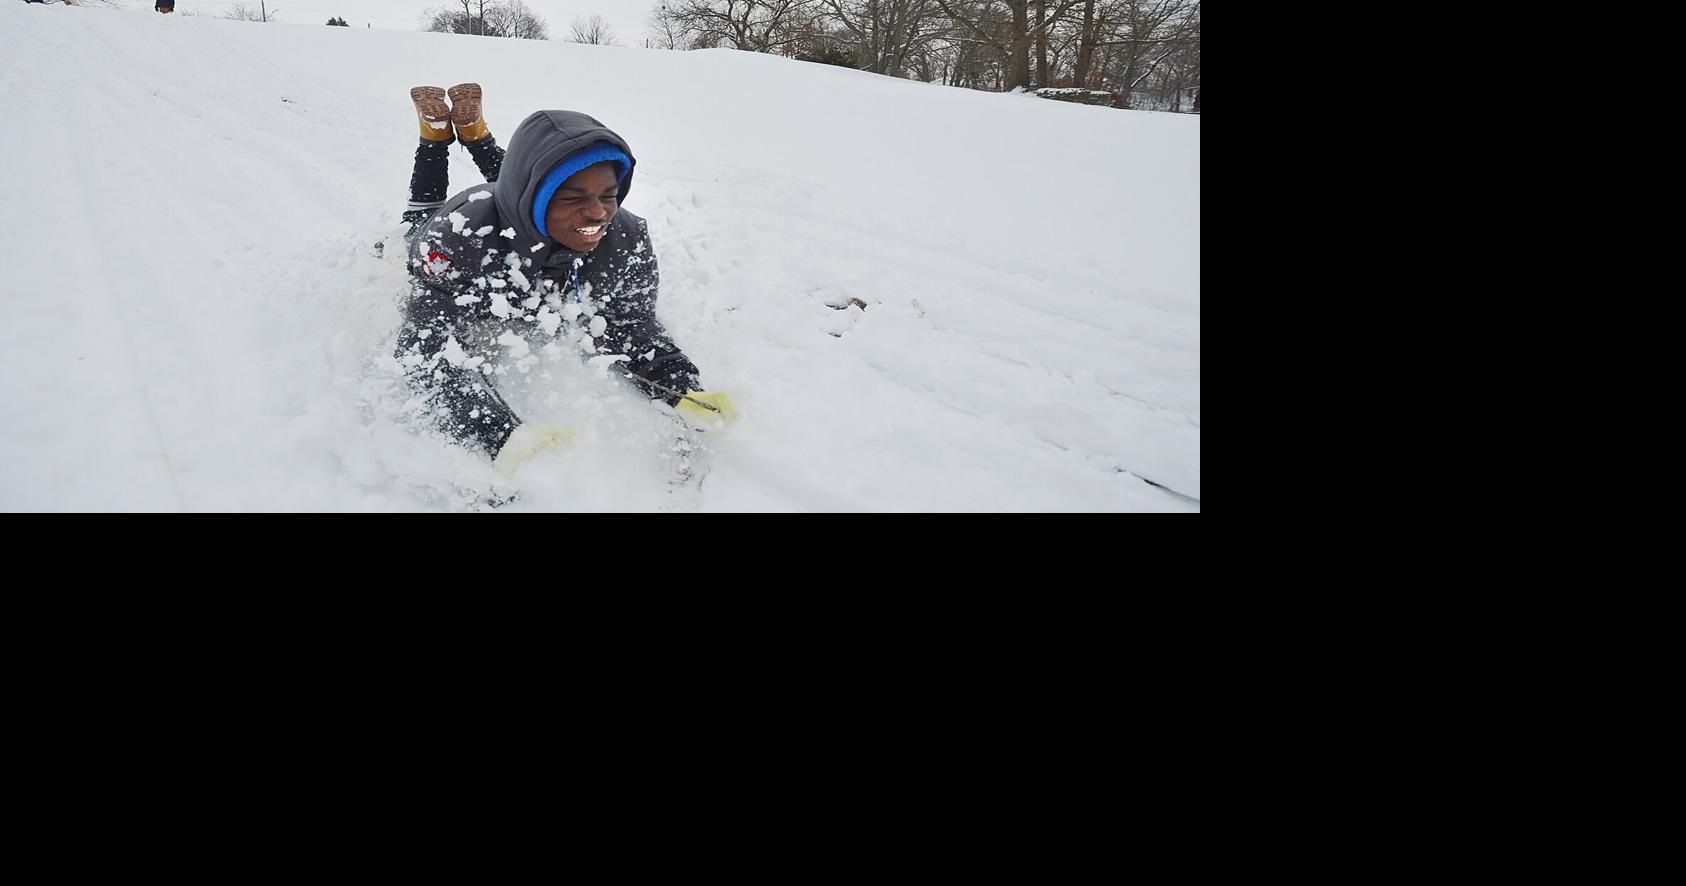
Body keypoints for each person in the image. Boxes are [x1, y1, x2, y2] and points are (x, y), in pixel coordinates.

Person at [394, 84, 737, 477]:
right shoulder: (456, 240)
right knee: (422, 210)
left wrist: (681, 389)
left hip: (522, 205)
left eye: (609, 195)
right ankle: (436, 134)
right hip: (466, 219)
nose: (598, 214)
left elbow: (630, 322)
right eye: (576, 198)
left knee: (531, 186)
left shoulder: (623, 235)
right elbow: (428, 346)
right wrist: (498, 435)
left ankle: (477, 137)